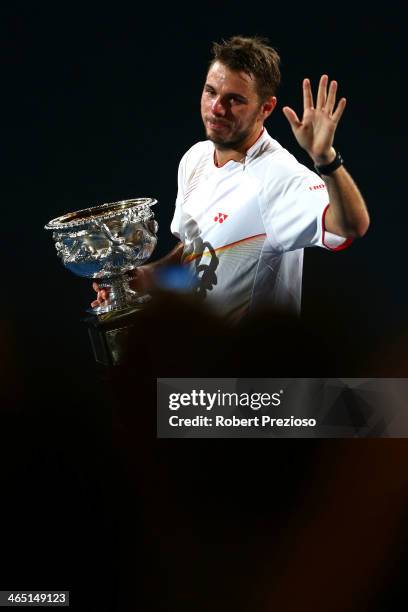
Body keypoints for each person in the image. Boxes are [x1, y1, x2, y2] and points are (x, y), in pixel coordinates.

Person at [92, 35, 369, 322]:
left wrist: (326, 159)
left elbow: (352, 226)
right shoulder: (195, 158)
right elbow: (194, 248)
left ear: (266, 108)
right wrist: (148, 277)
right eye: (211, 92)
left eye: (234, 100)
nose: (216, 109)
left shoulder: (279, 177)